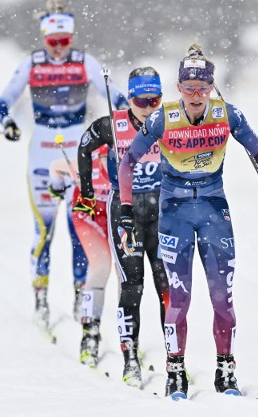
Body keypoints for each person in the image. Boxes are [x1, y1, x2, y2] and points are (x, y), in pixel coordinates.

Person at [118, 43, 258, 400]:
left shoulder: (227, 114)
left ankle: (225, 369)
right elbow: (127, 162)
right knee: (178, 300)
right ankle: (176, 372)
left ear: (212, 87)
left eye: (203, 88)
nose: (196, 96)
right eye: (188, 88)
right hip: (175, 215)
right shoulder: (162, 119)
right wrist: (125, 211)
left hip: (214, 211)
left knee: (222, 299)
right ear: (178, 88)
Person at [0, 0, 128, 331]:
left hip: (77, 153)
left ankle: (80, 298)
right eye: (52, 42)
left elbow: (117, 97)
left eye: (63, 41)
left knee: (79, 228)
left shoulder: (86, 62)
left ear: (71, 37)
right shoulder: (32, 63)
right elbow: (3, 100)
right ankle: (40, 298)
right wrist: (7, 122)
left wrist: (125, 123)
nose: (57, 49)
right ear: (43, 39)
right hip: (42, 149)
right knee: (44, 230)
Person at [77, 67, 167, 387]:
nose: (149, 107)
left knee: (166, 285)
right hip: (126, 212)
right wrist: (87, 191)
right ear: (130, 99)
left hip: (162, 211)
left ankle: (175, 358)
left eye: (155, 99)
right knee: (133, 285)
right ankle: (130, 359)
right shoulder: (112, 125)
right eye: (142, 100)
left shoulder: (168, 120)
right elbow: (84, 146)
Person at [47, 144, 111, 368]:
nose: (110, 164)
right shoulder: (86, 164)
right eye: (107, 158)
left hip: (115, 212)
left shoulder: (132, 162)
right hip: (88, 214)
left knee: (128, 274)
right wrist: (56, 187)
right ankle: (89, 334)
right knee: (101, 266)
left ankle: (129, 339)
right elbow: (55, 167)